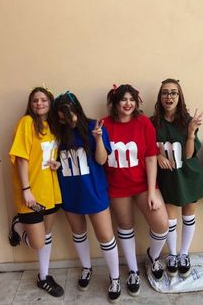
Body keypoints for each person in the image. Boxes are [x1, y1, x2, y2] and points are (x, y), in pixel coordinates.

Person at [53, 91, 121, 303]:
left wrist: (98, 139)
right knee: (78, 233)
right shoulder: (58, 133)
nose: (66, 119)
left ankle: (115, 278)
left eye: (69, 114)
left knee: (105, 237)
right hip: (70, 191)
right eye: (61, 116)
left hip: (94, 191)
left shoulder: (94, 126)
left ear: (76, 110)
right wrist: (57, 165)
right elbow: (58, 161)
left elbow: (102, 161)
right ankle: (86, 268)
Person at [103, 84, 169, 296]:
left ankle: (153, 256)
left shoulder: (144, 123)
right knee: (125, 226)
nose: (128, 103)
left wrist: (151, 191)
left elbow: (151, 158)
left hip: (142, 183)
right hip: (116, 185)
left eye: (132, 99)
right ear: (115, 102)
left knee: (161, 225)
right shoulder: (104, 124)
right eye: (124, 99)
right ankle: (132, 270)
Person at [8, 87, 64, 297]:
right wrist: (26, 190)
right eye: (35, 101)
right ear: (30, 105)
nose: (39, 103)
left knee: (46, 236)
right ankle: (19, 224)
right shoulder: (26, 123)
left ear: (50, 103)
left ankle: (43, 276)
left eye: (43, 100)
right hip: (30, 192)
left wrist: (56, 164)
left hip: (49, 189)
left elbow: (49, 154)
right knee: (37, 242)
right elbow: (21, 159)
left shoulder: (53, 126)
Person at [151, 78, 203, 278]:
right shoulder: (152, 122)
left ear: (179, 96)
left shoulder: (187, 120)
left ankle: (184, 254)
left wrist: (191, 133)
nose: (169, 96)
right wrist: (157, 156)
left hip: (189, 175)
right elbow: (147, 149)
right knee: (170, 219)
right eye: (165, 92)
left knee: (188, 215)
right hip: (168, 178)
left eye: (173, 92)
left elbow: (190, 155)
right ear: (160, 97)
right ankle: (172, 254)